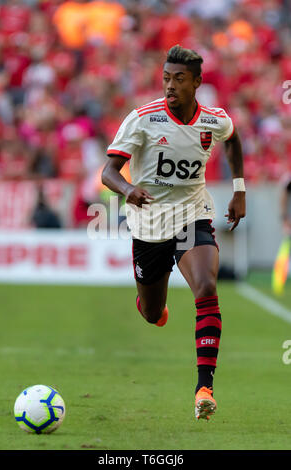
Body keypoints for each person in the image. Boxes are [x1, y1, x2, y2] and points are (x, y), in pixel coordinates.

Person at [101, 45, 246, 421]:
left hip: (191, 215)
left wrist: (240, 188)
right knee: (151, 313)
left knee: (207, 287)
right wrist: (127, 190)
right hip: (149, 224)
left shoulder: (213, 120)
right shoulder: (143, 119)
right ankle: (153, 306)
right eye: (166, 78)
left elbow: (232, 138)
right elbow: (109, 172)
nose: (170, 85)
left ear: (196, 82)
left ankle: (204, 387)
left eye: (179, 79)